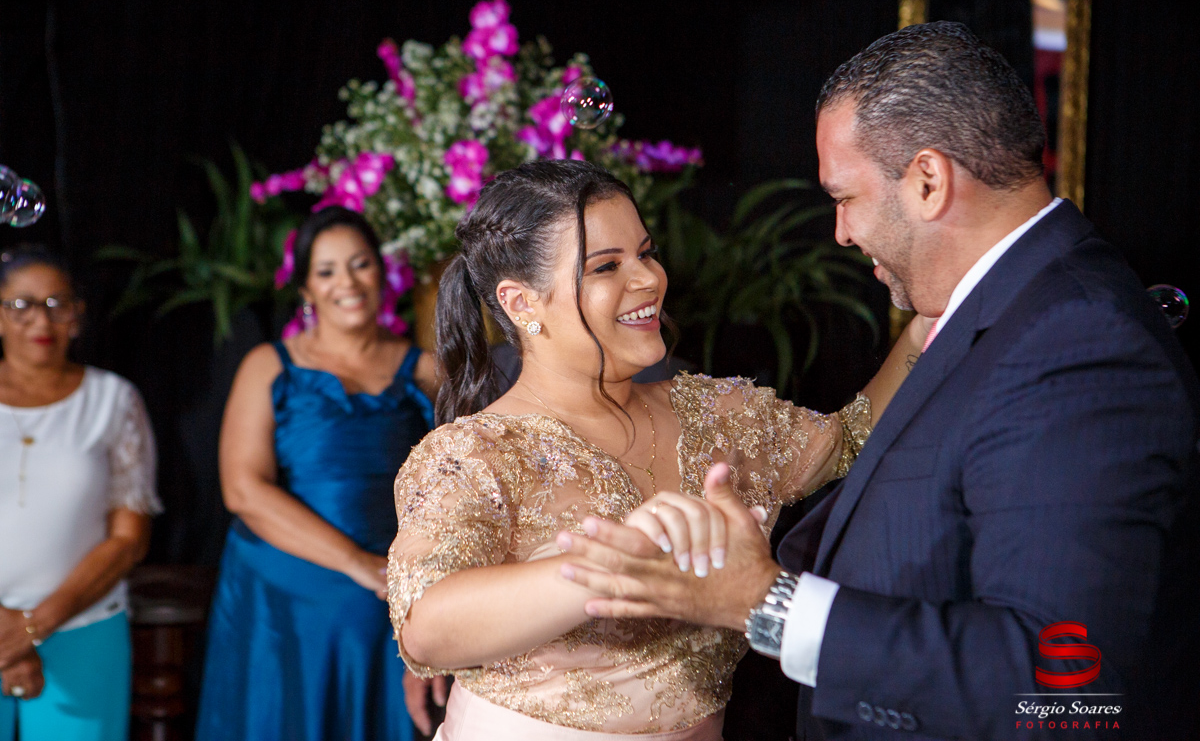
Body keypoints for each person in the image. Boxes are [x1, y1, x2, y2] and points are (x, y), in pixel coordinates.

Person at [559, 22, 1200, 740]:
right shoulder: (1003, 315)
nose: (840, 231)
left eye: (845, 197)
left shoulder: (1077, 344)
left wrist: (766, 603)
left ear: (928, 181)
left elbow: (1057, 686)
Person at [386, 159, 930, 740]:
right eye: (606, 266)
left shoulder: (718, 415)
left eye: (646, 254)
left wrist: (936, 309)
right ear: (522, 303)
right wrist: (613, 568)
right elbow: (425, 628)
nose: (648, 279)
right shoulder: (473, 454)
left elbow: (853, 439)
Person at [195, 207, 437, 741]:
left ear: (382, 272)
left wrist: (406, 576)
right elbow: (242, 490)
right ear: (306, 289)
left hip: (388, 592)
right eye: (326, 271)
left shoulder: (426, 371)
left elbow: (457, 487)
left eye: (360, 264)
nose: (346, 282)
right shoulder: (269, 366)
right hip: (285, 594)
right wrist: (358, 564)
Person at [0, 245, 160, 741]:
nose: (40, 320)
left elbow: (129, 538)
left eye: (57, 304)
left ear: (78, 316)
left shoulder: (114, 400)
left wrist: (33, 627)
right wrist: (8, 638)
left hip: (84, 627)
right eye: (21, 305)